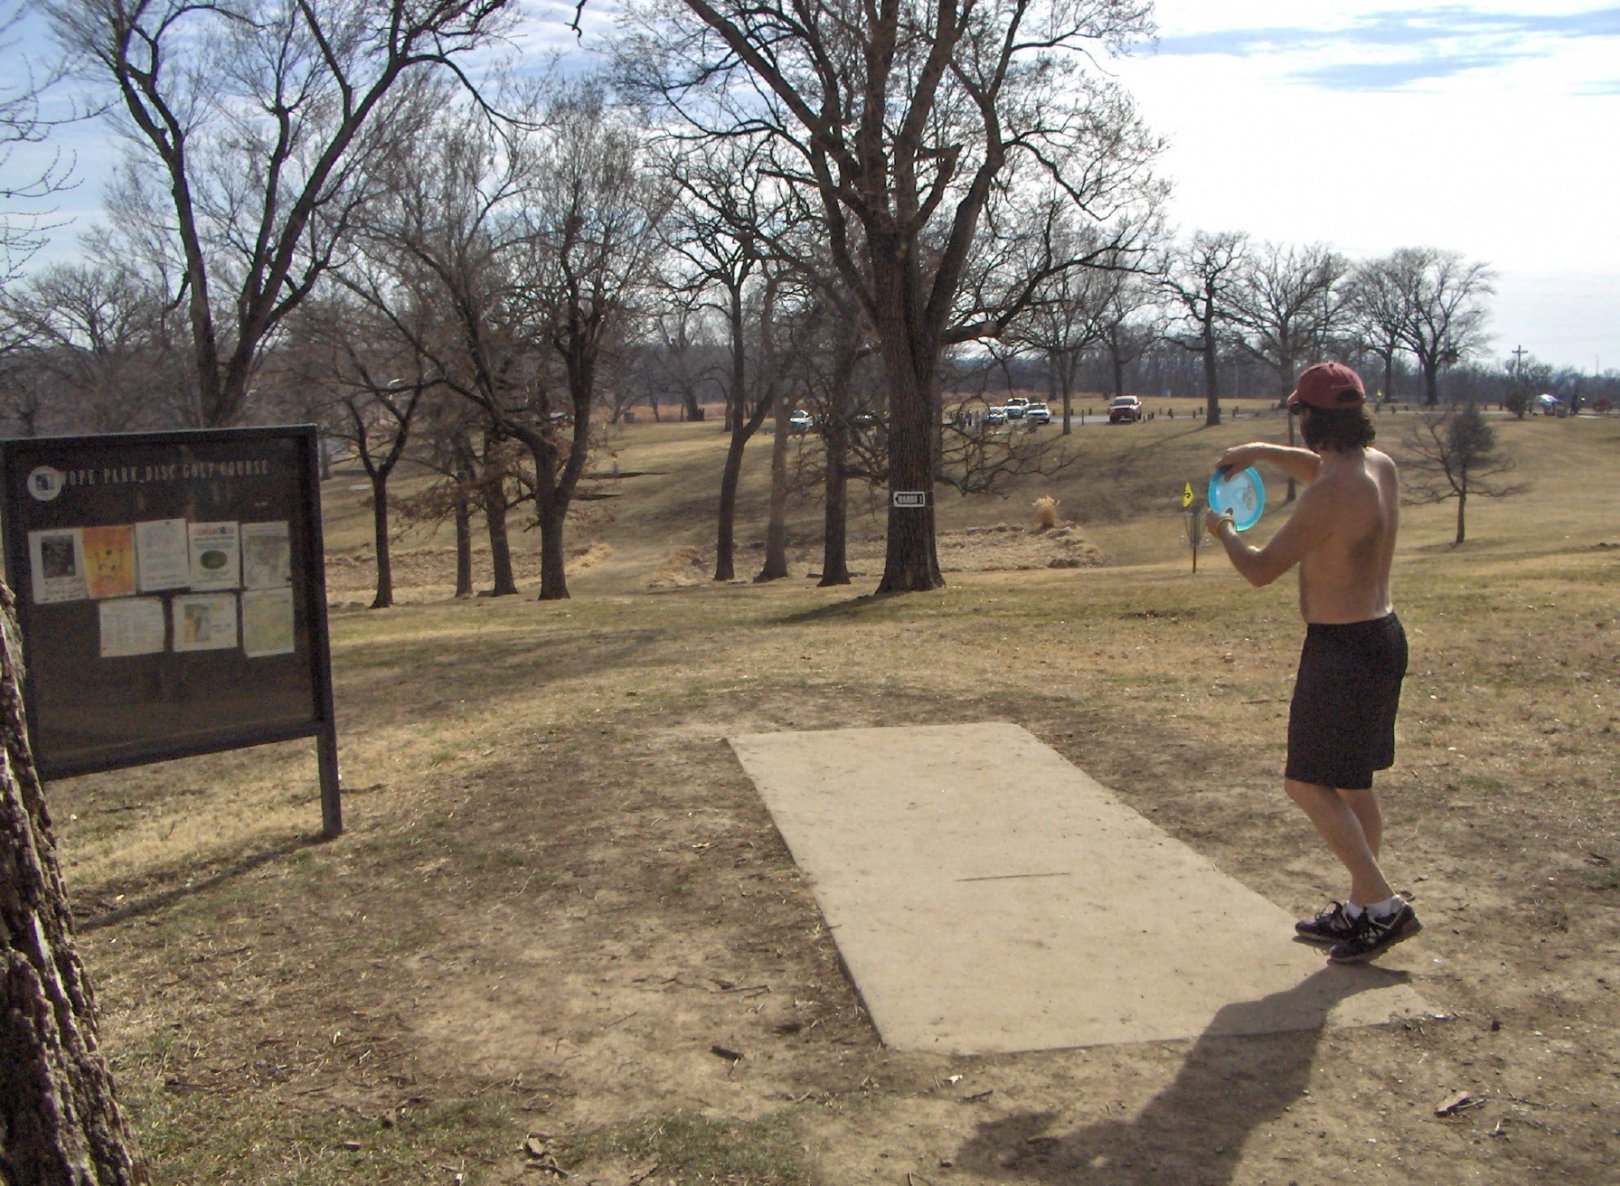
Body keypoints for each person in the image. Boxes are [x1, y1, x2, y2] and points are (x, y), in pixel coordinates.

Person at [1203, 361, 1420, 964]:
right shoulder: (1377, 467)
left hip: (1342, 652)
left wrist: (1223, 531)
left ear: (1310, 419)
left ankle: (1383, 907)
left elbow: (1260, 570)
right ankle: (1359, 911)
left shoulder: (1329, 494)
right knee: (1352, 783)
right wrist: (1256, 451)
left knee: (1304, 782)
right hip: (1381, 636)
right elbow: (1319, 464)